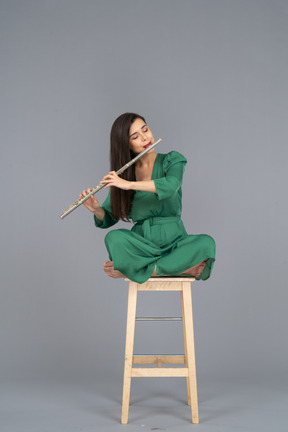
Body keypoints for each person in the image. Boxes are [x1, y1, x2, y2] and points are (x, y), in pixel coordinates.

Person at [80, 113, 215, 284]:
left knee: (206, 243)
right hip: (142, 245)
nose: (145, 138)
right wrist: (96, 209)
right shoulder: (123, 175)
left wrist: (129, 185)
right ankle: (180, 269)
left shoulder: (171, 160)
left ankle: (135, 270)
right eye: (135, 137)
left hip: (175, 242)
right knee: (113, 238)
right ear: (126, 144)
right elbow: (109, 217)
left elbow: (171, 184)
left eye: (145, 130)